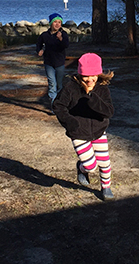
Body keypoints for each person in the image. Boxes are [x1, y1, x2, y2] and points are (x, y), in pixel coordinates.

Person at [53, 53, 116, 200]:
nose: (89, 79)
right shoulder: (71, 88)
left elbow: (109, 112)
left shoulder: (102, 88)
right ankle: (82, 169)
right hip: (78, 132)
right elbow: (58, 106)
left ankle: (106, 187)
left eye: (93, 75)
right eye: (85, 76)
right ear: (80, 74)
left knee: (104, 162)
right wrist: (71, 123)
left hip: (99, 131)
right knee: (90, 165)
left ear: (98, 73)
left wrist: (93, 99)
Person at [36, 12, 70, 103]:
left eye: (59, 22)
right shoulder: (45, 35)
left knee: (59, 85)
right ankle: (53, 105)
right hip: (49, 63)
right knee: (52, 84)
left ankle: (60, 103)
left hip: (59, 63)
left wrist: (60, 39)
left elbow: (66, 45)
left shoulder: (63, 34)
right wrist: (39, 50)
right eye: (55, 22)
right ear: (51, 23)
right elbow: (39, 44)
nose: (57, 24)